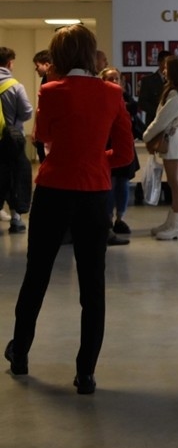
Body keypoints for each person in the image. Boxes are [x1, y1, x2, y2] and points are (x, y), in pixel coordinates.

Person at [4, 24, 134, 394]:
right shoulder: (112, 93)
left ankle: (20, 354)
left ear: (58, 57)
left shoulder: (51, 90)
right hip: (94, 194)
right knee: (93, 286)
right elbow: (125, 154)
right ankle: (86, 373)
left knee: (37, 276)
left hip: (53, 192)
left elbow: (42, 135)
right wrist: (96, 160)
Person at [143, 56, 178, 241]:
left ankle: (177, 226)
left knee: (175, 182)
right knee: (174, 182)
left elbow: (161, 120)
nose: (163, 71)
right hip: (172, 138)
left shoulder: (177, 93)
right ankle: (171, 222)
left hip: (171, 139)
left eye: (166, 68)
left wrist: (146, 136)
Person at [99, 67, 140, 243]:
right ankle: (107, 219)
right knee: (109, 183)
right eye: (110, 79)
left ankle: (120, 218)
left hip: (123, 146)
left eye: (117, 79)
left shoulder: (127, 99)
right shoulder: (100, 98)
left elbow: (134, 116)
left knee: (123, 183)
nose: (115, 82)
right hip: (107, 145)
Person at [0, 47, 33, 235]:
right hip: (11, 140)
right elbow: (27, 112)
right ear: (9, 63)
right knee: (15, 177)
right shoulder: (15, 86)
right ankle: (16, 218)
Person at [136, 50, 172, 205]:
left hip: (169, 127)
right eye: (166, 62)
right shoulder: (148, 80)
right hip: (153, 124)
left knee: (167, 158)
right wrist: (159, 113)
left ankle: (168, 194)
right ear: (159, 62)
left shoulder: (174, 81)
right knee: (149, 158)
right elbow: (142, 102)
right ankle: (143, 192)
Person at [31, 49, 52, 163]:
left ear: (47, 65)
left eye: (37, 66)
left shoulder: (49, 82)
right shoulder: (45, 80)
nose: (36, 69)